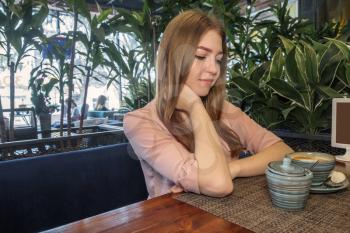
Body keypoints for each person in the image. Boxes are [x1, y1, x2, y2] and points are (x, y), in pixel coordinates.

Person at [123, 10, 293, 199]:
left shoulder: (223, 109)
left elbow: (284, 152)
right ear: (173, 59)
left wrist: (233, 168)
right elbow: (219, 185)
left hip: (230, 215)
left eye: (218, 60)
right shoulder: (140, 121)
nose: (213, 69)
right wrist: (195, 107)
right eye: (201, 56)